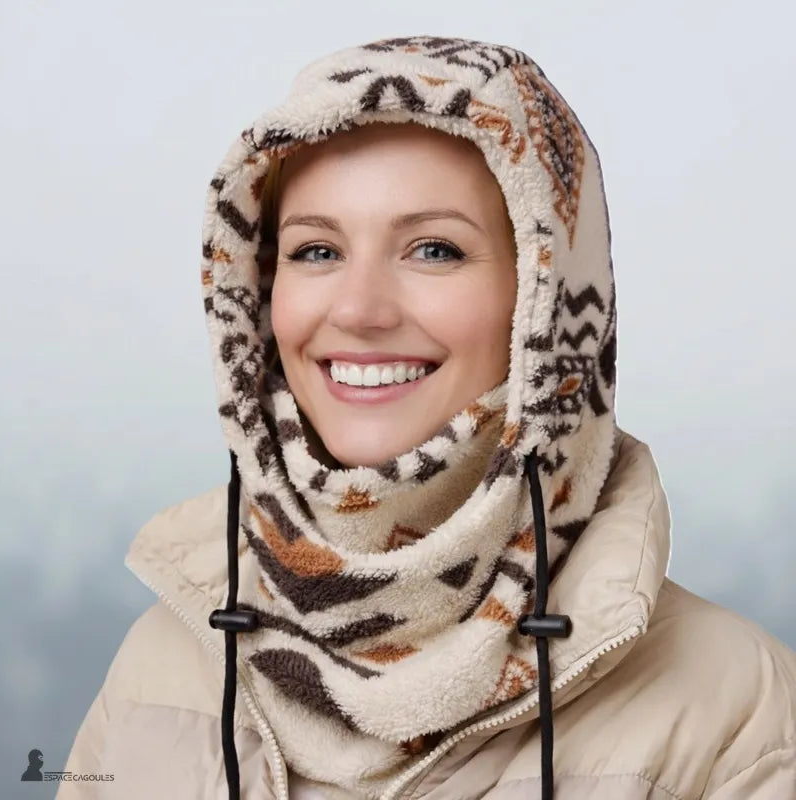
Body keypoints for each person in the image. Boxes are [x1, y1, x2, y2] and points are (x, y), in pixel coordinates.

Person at [59, 35, 796, 800]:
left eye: (435, 249)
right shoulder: (161, 661)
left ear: (545, 299)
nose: (358, 310)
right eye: (314, 251)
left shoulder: (736, 717)